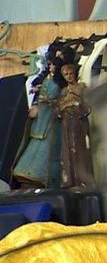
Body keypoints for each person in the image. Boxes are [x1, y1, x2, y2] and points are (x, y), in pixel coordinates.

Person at [11, 60, 64, 188]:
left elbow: (57, 98)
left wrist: (46, 100)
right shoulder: (47, 78)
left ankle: (39, 175)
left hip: (49, 117)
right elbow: (42, 89)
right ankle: (26, 172)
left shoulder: (59, 83)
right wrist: (36, 96)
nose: (51, 66)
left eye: (53, 64)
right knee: (34, 140)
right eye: (50, 64)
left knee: (46, 144)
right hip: (41, 115)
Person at [56, 63, 95, 188]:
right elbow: (58, 110)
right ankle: (70, 181)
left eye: (70, 73)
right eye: (66, 75)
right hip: (67, 124)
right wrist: (65, 106)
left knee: (81, 152)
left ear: (75, 74)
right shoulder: (63, 91)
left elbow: (88, 106)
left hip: (79, 124)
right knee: (68, 153)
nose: (69, 77)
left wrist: (76, 104)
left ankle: (84, 181)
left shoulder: (82, 87)